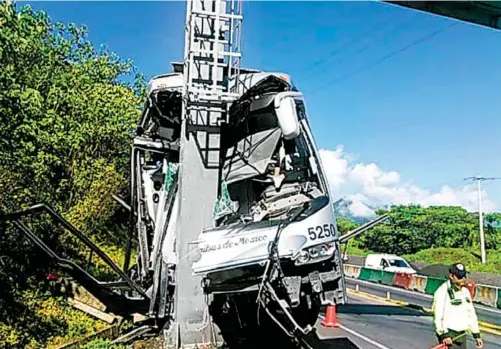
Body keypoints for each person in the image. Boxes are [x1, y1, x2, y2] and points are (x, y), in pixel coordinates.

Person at [432, 263, 483, 349]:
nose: (463, 279)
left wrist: (476, 335)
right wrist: (444, 335)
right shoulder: (443, 292)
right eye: (459, 277)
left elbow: (471, 314)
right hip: (449, 335)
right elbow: (438, 315)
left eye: (464, 276)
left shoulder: (465, 292)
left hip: (461, 335)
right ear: (451, 276)